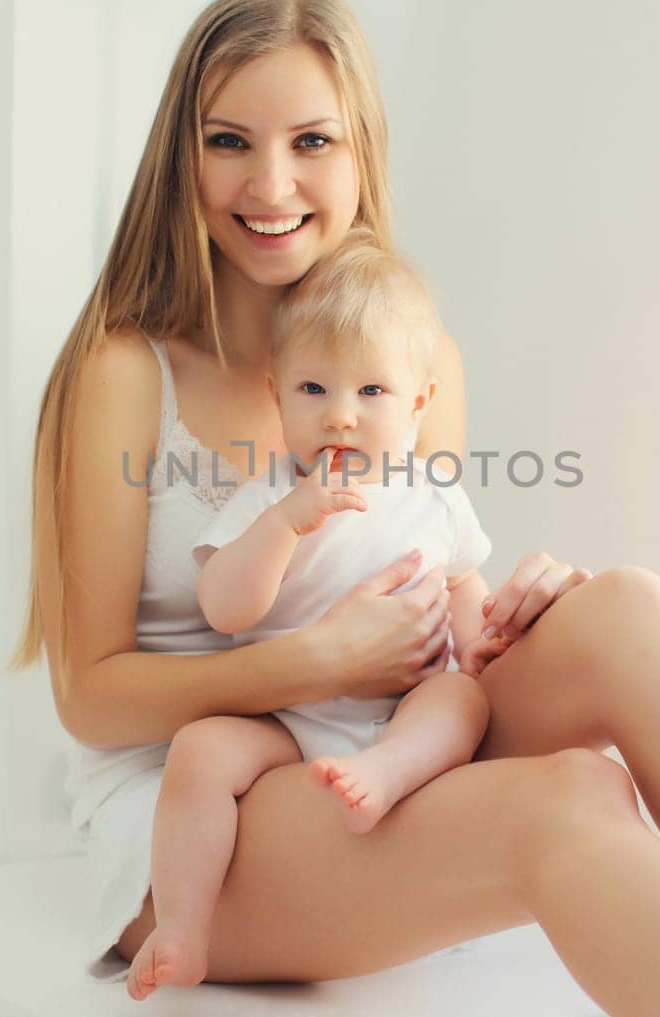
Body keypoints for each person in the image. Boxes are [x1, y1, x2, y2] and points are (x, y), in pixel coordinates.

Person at [8, 0, 660, 1017]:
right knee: (564, 804)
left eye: (313, 141)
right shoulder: (128, 371)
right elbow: (90, 698)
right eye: (228, 141)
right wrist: (306, 662)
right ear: (183, 155)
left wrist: (506, 618)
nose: (270, 183)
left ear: (362, 154)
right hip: (198, 810)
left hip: (371, 742)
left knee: (623, 611)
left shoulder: (415, 358)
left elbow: (425, 579)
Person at [126, 234, 502, 999]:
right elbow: (226, 609)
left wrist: (485, 634)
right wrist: (286, 524)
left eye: (371, 393)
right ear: (277, 392)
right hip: (285, 719)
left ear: (418, 402)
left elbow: (466, 585)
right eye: (312, 391)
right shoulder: (271, 496)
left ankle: (386, 772)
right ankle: (186, 927)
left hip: (398, 708)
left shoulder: (434, 496)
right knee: (198, 752)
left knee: (460, 696)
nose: (340, 417)